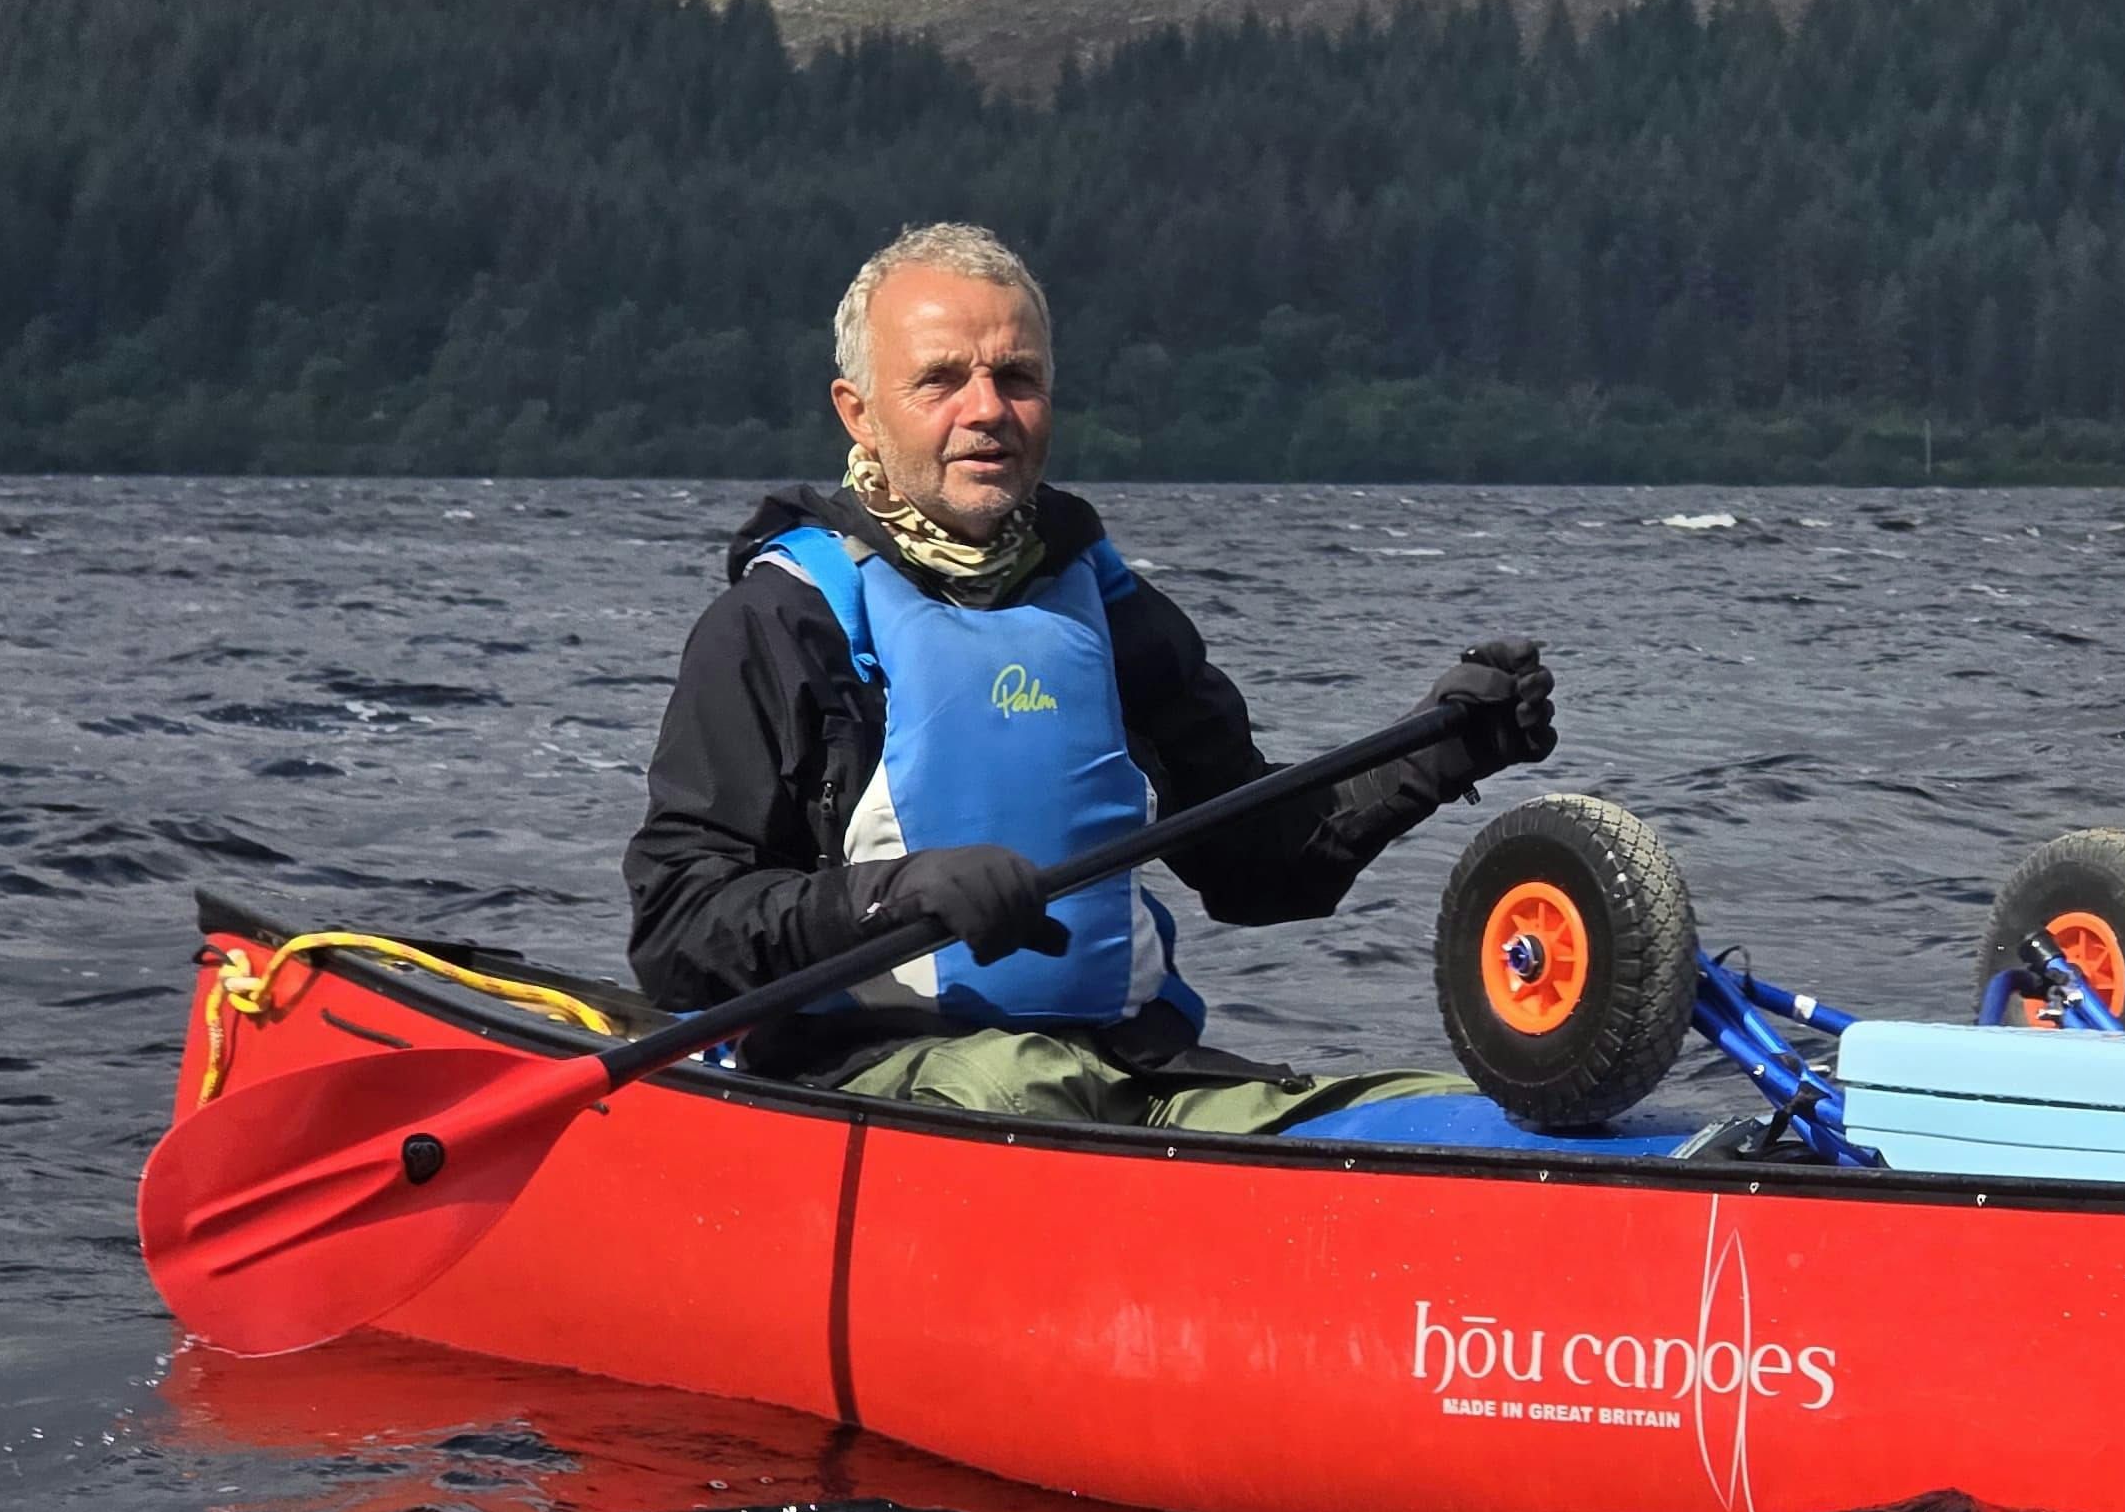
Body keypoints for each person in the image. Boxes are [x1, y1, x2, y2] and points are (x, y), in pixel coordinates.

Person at [626, 221, 1548, 1126]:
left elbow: (1264, 869)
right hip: (886, 1085)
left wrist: (1435, 754)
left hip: (1134, 1072)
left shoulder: (1110, 612)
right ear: (858, 411)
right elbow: (676, 932)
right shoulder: (778, 624)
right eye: (940, 380)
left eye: (1016, 378)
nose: (986, 409)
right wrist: (888, 895)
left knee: (1460, 1113)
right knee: (1019, 1084)